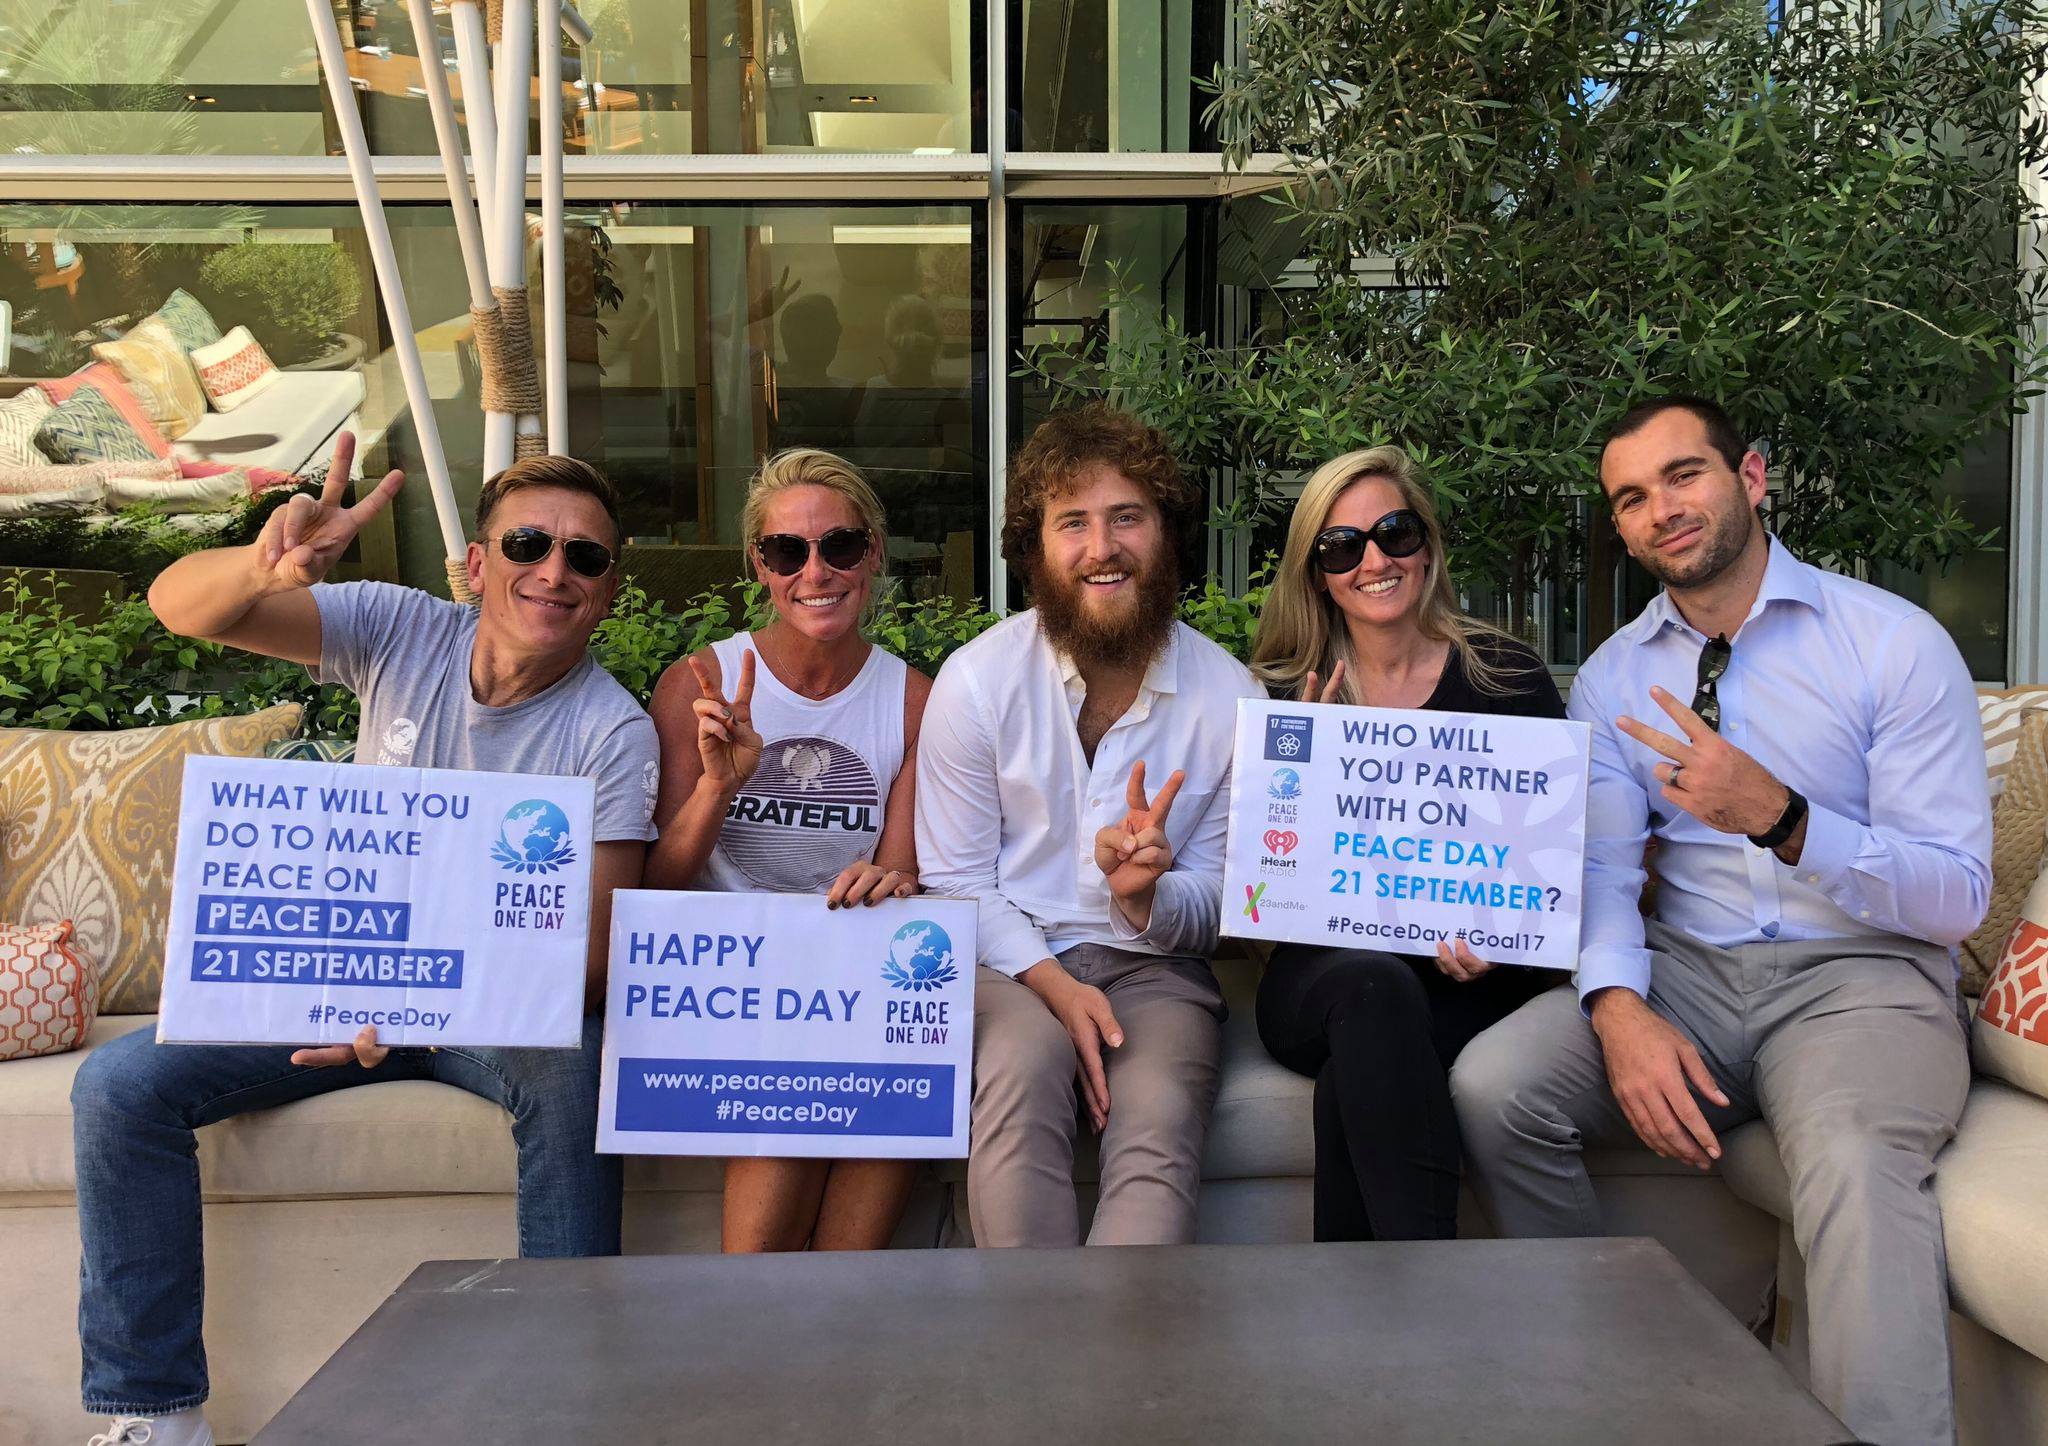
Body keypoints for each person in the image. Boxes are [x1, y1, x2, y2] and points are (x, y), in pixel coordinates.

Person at [74, 436, 656, 1446]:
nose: (554, 571)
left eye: (586, 557)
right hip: (333, 986)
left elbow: (592, 953)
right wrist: (262, 569)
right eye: (527, 543)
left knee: (575, 1073)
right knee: (117, 1089)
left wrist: (420, 1006)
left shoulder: (613, 732)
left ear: (607, 592)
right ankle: (155, 1413)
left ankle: (567, 1406)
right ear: (476, 566)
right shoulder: (399, 630)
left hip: (489, 1014)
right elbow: (179, 604)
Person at [1450, 396, 1990, 1446]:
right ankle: (1611, 1393)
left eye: (1682, 475)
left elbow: (1955, 896)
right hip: (1687, 972)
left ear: (1749, 476)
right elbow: (1603, 875)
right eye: (1631, 498)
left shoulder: (1889, 645)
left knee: (1845, 1153)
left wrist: (1784, 821)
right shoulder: (1610, 679)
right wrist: (1615, 1007)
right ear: (1619, 528)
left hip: (1861, 977)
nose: (1662, 509)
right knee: (1493, 1088)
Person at [917, 402, 1264, 1247]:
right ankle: (1033, 1354)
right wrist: (1054, 985)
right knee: (1020, 1065)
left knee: (1158, 1122)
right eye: (1073, 522)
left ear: (1167, 533)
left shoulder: (1230, 698)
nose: (1101, 547)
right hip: (1006, 964)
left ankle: (1117, 1362)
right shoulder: (977, 683)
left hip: (1154, 972)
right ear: (1035, 546)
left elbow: (1228, 901)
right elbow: (957, 882)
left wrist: (1147, 897)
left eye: (1126, 518)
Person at [1248, 446, 1564, 1243]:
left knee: (1355, 1077)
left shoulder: (1508, 677)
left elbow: (1545, 872)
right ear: (1316, 572)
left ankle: (1360, 1337)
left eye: (1395, 532)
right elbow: (1261, 896)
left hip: (1471, 983)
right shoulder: (1283, 692)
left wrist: (1503, 943)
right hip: (1325, 976)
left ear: (1427, 544)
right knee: (1372, 993)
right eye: (1343, 546)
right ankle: (1431, 1306)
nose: (1375, 561)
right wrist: (1307, 774)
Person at [646, 448, 932, 1253]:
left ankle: (822, 1342)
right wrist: (718, 786)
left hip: (843, 976)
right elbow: (658, 884)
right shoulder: (698, 683)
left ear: (872, 554)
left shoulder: (912, 701)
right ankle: (756, 1331)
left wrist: (891, 881)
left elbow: (900, 876)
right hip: (721, 979)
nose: (817, 571)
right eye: (787, 551)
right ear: (760, 568)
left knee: (882, 1078)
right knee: (800, 1088)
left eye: (840, 546)